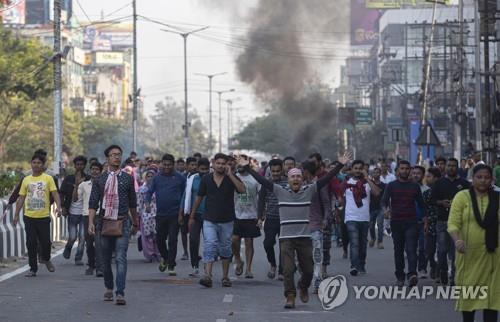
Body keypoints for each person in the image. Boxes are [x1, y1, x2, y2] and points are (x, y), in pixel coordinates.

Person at [241, 152, 350, 309]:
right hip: (287, 239)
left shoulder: (309, 190)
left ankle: (303, 286)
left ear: (302, 178)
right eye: (293, 177)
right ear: (289, 179)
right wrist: (247, 167)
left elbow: (326, 179)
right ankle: (290, 296)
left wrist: (340, 165)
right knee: (288, 269)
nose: (296, 179)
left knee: (308, 270)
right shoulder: (280, 191)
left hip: (305, 238)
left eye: (298, 176)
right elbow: (262, 181)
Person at [88, 145, 139, 306]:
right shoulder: (100, 180)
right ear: (107, 158)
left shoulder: (128, 178)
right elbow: (93, 203)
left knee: (120, 258)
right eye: (113, 155)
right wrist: (90, 222)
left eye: (119, 155)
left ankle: (120, 292)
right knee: (104, 259)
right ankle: (109, 287)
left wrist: (135, 221)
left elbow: (133, 203)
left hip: (122, 222)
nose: (117, 157)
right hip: (103, 223)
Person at [448, 164, 499, 322]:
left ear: (492, 180)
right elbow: (453, 223)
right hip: (468, 255)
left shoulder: (497, 198)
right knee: (468, 296)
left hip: (493, 256)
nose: (483, 181)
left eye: (486, 177)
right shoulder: (462, 197)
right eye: (479, 177)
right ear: (473, 178)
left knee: (492, 298)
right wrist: (457, 241)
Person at [189, 153, 246, 288]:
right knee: (210, 244)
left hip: (227, 220)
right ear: (213, 163)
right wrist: (191, 215)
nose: (220, 166)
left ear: (226, 165)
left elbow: (242, 190)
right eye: (218, 163)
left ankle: (225, 277)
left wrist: (230, 174)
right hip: (209, 218)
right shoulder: (207, 179)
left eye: (223, 163)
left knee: (225, 248)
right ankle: (207, 275)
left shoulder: (231, 178)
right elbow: (199, 197)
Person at [13, 153, 62, 277]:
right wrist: (16, 214)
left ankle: (46, 258)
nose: (36, 165)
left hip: (44, 216)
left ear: (43, 165)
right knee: (31, 243)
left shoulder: (48, 179)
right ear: (31, 164)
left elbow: (55, 194)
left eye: (39, 163)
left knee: (46, 242)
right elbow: (21, 198)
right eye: (34, 162)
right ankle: (32, 268)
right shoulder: (26, 179)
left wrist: (59, 207)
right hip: (29, 216)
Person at [381, 160, 426, 287]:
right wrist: (385, 211)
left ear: (409, 170)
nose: (405, 171)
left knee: (411, 249)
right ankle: (400, 276)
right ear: (398, 171)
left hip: (411, 222)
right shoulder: (391, 185)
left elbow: (422, 205)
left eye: (407, 168)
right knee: (398, 251)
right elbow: (384, 201)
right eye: (402, 168)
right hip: (396, 222)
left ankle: (412, 274)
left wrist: (425, 219)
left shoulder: (414, 186)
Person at [431, 158, 470, 285]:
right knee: (442, 250)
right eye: (449, 165)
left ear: (457, 167)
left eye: (453, 166)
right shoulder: (439, 183)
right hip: (442, 220)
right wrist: (441, 203)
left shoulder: (464, 184)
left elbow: (470, 200)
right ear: (446, 167)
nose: (451, 168)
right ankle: (443, 270)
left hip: (459, 223)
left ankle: (454, 276)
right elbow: (431, 200)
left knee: (455, 252)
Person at [146, 153, 186, 276]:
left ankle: (171, 265)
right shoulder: (157, 178)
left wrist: (182, 212)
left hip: (175, 214)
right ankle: (165, 257)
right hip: (161, 214)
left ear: (173, 165)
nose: (167, 167)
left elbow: (185, 196)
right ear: (161, 164)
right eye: (165, 165)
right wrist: (147, 203)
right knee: (159, 239)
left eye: (169, 165)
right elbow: (149, 192)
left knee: (173, 240)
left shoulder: (180, 178)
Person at [341, 160, 381, 276]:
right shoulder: (347, 183)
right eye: (356, 168)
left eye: (360, 168)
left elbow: (377, 193)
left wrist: (367, 178)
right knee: (354, 242)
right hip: (351, 218)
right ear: (352, 169)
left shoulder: (367, 183)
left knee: (362, 244)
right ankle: (354, 266)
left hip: (364, 218)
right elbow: (341, 198)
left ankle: (361, 264)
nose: (358, 170)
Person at [302, 160, 333, 293]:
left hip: (315, 225)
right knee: (304, 258)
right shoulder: (299, 185)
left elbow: (326, 203)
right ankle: (307, 279)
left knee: (317, 255)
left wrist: (326, 219)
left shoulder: (319, 185)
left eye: (301, 171)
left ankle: (317, 282)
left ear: (306, 172)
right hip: (301, 227)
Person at [232, 155, 261, 279]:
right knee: (234, 240)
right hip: (236, 214)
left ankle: (248, 269)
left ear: (248, 164)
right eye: (238, 163)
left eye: (242, 163)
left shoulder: (254, 179)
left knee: (249, 242)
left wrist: (260, 215)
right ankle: (238, 260)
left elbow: (261, 197)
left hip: (251, 214)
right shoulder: (233, 177)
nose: (240, 165)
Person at [258, 159, 287, 280]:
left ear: (282, 170)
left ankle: (281, 271)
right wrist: (260, 217)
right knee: (267, 244)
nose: (275, 173)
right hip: (270, 218)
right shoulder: (267, 183)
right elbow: (261, 200)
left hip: (285, 219)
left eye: (278, 171)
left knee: (284, 247)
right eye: (273, 171)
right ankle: (273, 265)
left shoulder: (288, 182)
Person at [180, 157, 210, 277]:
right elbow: (185, 196)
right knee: (193, 240)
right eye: (202, 169)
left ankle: (207, 267)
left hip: (209, 215)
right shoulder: (192, 179)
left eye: (206, 169)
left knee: (209, 242)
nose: (204, 171)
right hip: (194, 215)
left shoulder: (212, 179)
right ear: (198, 169)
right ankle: (195, 266)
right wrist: (181, 213)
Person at [61, 155, 90, 265]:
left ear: (84, 165)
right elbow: (62, 193)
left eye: (81, 164)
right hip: (72, 212)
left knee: (82, 237)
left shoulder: (88, 179)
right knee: (72, 237)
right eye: (77, 164)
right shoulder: (69, 179)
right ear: (74, 166)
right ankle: (68, 248)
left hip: (84, 213)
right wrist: (63, 207)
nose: (79, 166)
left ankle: (78, 258)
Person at [79, 161, 104, 276]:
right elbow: (75, 199)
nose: (94, 171)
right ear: (90, 171)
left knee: (99, 243)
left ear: (101, 171)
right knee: (88, 243)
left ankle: (100, 268)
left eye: (97, 169)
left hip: (100, 215)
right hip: (86, 216)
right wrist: (76, 185)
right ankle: (91, 265)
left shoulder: (104, 184)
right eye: (92, 169)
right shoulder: (84, 185)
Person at [422, 167, 441, 281]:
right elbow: (424, 210)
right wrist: (425, 223)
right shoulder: (426, 193)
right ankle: (433, 266)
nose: (426, 179)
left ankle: (439, 270)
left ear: (436, 178)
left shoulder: (443, 191)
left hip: (443, 224)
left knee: (441, 251)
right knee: (429, 251)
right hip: (430, 224)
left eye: (429, 177)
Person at [137, 170, 161, 262]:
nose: (150, 178)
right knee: (147, 237)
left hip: (157, 214)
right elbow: (139, 203)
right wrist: (138, 215)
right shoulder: (141, 189)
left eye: (152, 176)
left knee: (157, 236)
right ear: (145, 178)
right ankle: (150, 255)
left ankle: (159, 254)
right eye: (148, 176)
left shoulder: (159, 188)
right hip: (145, 215)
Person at [412, 165, 430, 278]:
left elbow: (429, 208)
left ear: (423, 175)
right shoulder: (408, 188)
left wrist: (427, 222)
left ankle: (422, 268)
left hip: (422, 222)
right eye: (414, 173)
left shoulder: (427, 190)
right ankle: (412, 271)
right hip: (409, 222)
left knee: (423, 247)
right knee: (411, 248)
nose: (415, 175)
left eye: (418, 173)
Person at [369, 167, 386, 249]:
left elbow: (386, 198)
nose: (376, 174)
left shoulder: (384, 185)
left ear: (380, 174)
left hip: (381, 208)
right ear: (372, 174)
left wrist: (387, 208)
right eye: (374, 172)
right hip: (371, 208)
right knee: (371, 225)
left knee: (380, 224)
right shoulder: (369, 184)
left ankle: (380, 242)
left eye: (377, 172)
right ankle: (373, 238)